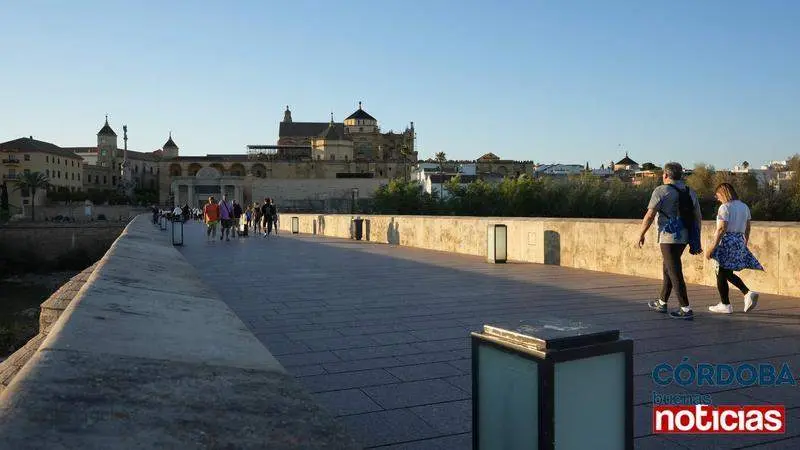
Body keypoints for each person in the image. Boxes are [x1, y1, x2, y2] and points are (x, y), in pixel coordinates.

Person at [636, 162, 703, 320]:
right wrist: (696, 237)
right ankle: (662, 302)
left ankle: (685, 308)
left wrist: (641, 233)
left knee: (674, 271)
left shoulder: (661, 190)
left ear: (665, 175)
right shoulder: (689, 191)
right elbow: (697, 217)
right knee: (668, 268)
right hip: (685, 236)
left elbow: (650, 215)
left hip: (668, 236)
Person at [706, 183, 764, 314]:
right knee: (726, 272)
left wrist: (712, 248)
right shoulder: (744, 207)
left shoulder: (725, 208)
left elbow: (721, 229)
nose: (717, 198)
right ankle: (743, 295)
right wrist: (745, 242)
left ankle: (727, 303)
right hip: (738, 240)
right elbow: (748, 227)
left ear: (723, 193)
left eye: (717, 195)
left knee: (720, 272)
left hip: (726, 241)